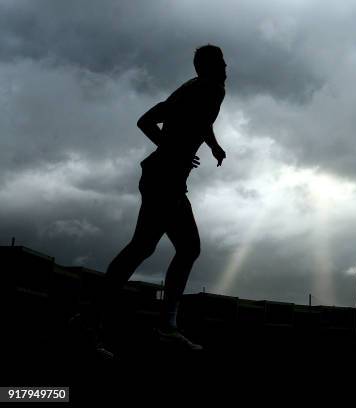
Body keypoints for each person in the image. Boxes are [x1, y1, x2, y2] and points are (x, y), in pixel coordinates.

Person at [96, 44, 227, 355]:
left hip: (168, 180)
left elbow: (202, 120)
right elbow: (146, 120)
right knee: (169, 247)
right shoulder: (195, 90)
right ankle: (103, 320)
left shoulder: (211, 93)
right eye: (219, 63)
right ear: (204, 70)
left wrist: (213, 145)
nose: (226, 68)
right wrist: (172, 148)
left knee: (152, 247)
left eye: (224, 62)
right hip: (162, 178)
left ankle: (152, 324)